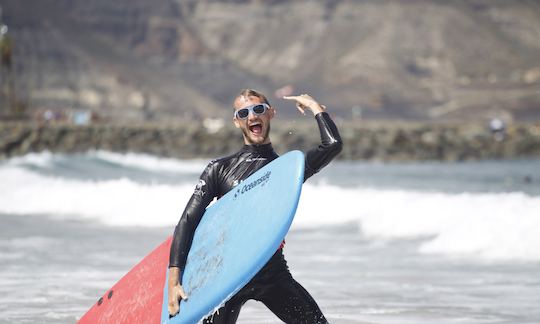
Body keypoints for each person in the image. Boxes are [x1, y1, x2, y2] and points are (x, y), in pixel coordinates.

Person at [168, 89, 342, 323]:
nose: (252, 116)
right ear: (237, 121)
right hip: (226, 277)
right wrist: (174, 280)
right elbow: (188, 222)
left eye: (259, 109)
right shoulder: (218, 169)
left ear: (271, 113)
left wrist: (314, 106)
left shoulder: (287, 171)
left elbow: (332, 145)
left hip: (272, 273)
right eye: (243, 112)